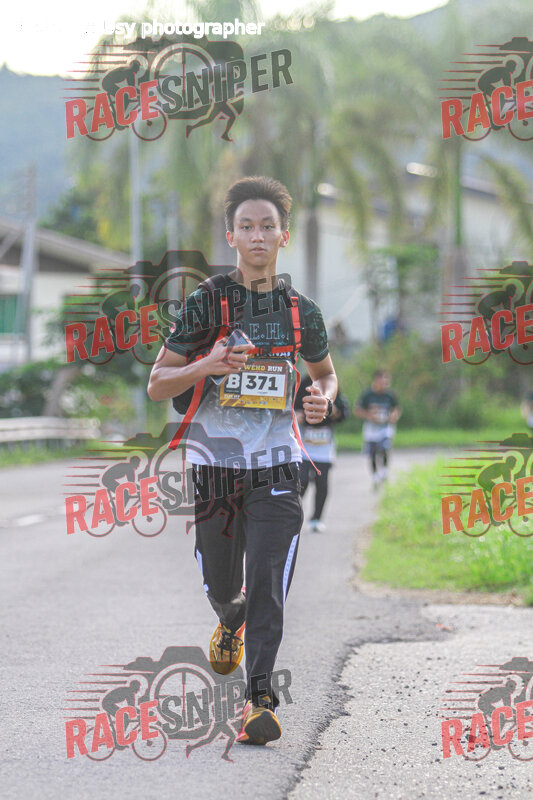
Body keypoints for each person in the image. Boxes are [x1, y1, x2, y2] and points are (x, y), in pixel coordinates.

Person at [147, 176, 337, 746]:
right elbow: (158, 383)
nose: (258, 235)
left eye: (267, 226)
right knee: (223, 581)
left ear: (284, 236)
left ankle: (260, 701)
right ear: (230, 236)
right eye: (246, 226)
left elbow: (325, 374)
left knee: (268, 582)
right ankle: (229, 619)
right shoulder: (207, 303)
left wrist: (321, 398)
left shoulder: (302, 312)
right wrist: (206, 365)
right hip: (216, 466)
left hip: (279, 465)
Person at [294, 373, 349, 532]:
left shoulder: (332, 384)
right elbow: (292, 407)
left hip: (324, 446)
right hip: (304, 444)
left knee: (322, 483)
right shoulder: (303, 383)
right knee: (301, 481)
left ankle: (316, 518)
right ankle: (295, 515)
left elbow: (343, 413)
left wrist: (333, 411)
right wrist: (297, 415)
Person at [354, 370, 401, 489]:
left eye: (386, 381)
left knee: (384, 447)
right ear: (375, 380)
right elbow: (357, 410)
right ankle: (375, 475)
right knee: (373, 452)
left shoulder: (390, 395)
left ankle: (384, 471)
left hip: (385, 427)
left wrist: (394, 415)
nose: (384, 384)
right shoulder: (367, 395)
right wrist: (368, 415)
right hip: (371, 428)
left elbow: (396, 408)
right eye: (382, 381)